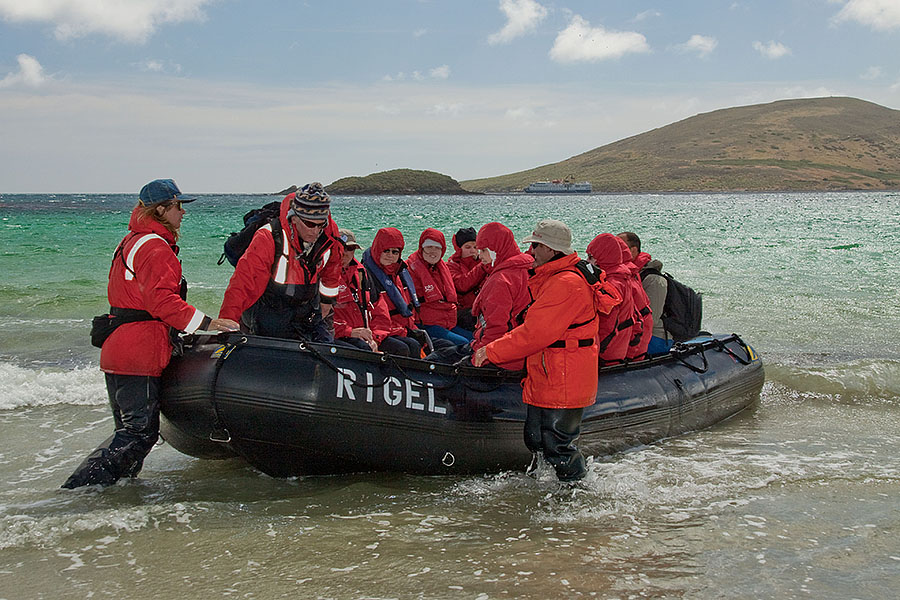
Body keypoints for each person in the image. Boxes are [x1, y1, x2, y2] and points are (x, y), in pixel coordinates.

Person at [62, 179, 239, 489]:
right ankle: (78, 492)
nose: (183, 213)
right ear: (161, 209)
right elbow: (162, 302)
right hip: (137, 352)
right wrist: (209, 324)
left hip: (119, 348)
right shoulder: (155, 247)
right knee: (139, 434)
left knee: (128, 433)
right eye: (178, 206)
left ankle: (109, 495)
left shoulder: (131, 241)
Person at [473, 219, 599, 482]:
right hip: (549, 373)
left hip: (564, 377)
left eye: (537, 246)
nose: (531, 251)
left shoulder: (565, 283)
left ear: (552, 250)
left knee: (558, 445)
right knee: (537, 440)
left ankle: (575, 498)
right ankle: (545, 491)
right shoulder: (554, 278)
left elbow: (535, 333)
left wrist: (491, 351)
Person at [219, 182, 342, 342]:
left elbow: (333, 270)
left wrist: (326, 301)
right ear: (294, 218)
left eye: (321, 224)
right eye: (310, 224)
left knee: (327, 352)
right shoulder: (267, 237)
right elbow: (243, 283)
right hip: (270, 309)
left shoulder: (329, 233)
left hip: (308, 309)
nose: (315, 231)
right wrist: (227, 321)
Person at [361, 227, 424, 357]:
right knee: (402, 348)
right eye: (386, 251)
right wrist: (376, 339)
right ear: (378, 250)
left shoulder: (400, 274)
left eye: (395, 252)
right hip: (378, 332)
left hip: (399, 329)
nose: (390, 255)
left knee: (416, 343)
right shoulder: (366, 276)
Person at [407, 228, 472, 346]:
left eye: (437, 248)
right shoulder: (409, 269)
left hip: (447, 322)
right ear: (422, 248)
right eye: (429, 247)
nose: (433, 251)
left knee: (475, 340)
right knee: (464, 343)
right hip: (426, 323)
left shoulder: (442, 268)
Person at [332, 229, 393, 351]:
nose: (345, 253)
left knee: (405, 347)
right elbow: (320, 317)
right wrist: (349, 332)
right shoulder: (323, 275)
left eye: (350, 249)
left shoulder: (361, 274)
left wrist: (375, 338)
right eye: (340, 247)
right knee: (364, 350)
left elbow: (380, 311)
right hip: (339, 335)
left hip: (365, 335)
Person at [586, 233, 635, 364]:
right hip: (618, 346)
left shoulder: (613, 283)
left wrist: (594, 349)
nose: (587, 261)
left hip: (608, 350)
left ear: (602, 258)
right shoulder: (622, 277)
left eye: (591, 257)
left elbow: (607, 323)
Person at [618, 231, 669, 355]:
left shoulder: (654, 280)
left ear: (633, 250)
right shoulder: (626, 276)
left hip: (656, 337)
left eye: (620, 247)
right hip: (631, 334)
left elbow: (652, 320)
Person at [447, 227, 488, 331]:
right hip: (464, 312)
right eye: (467, 247)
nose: (472, 250)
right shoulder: (452, 265)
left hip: (481, 307)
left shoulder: (482, 261)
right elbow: (462, 285)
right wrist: (482, 266)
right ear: (459, 248)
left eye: (475, 247)